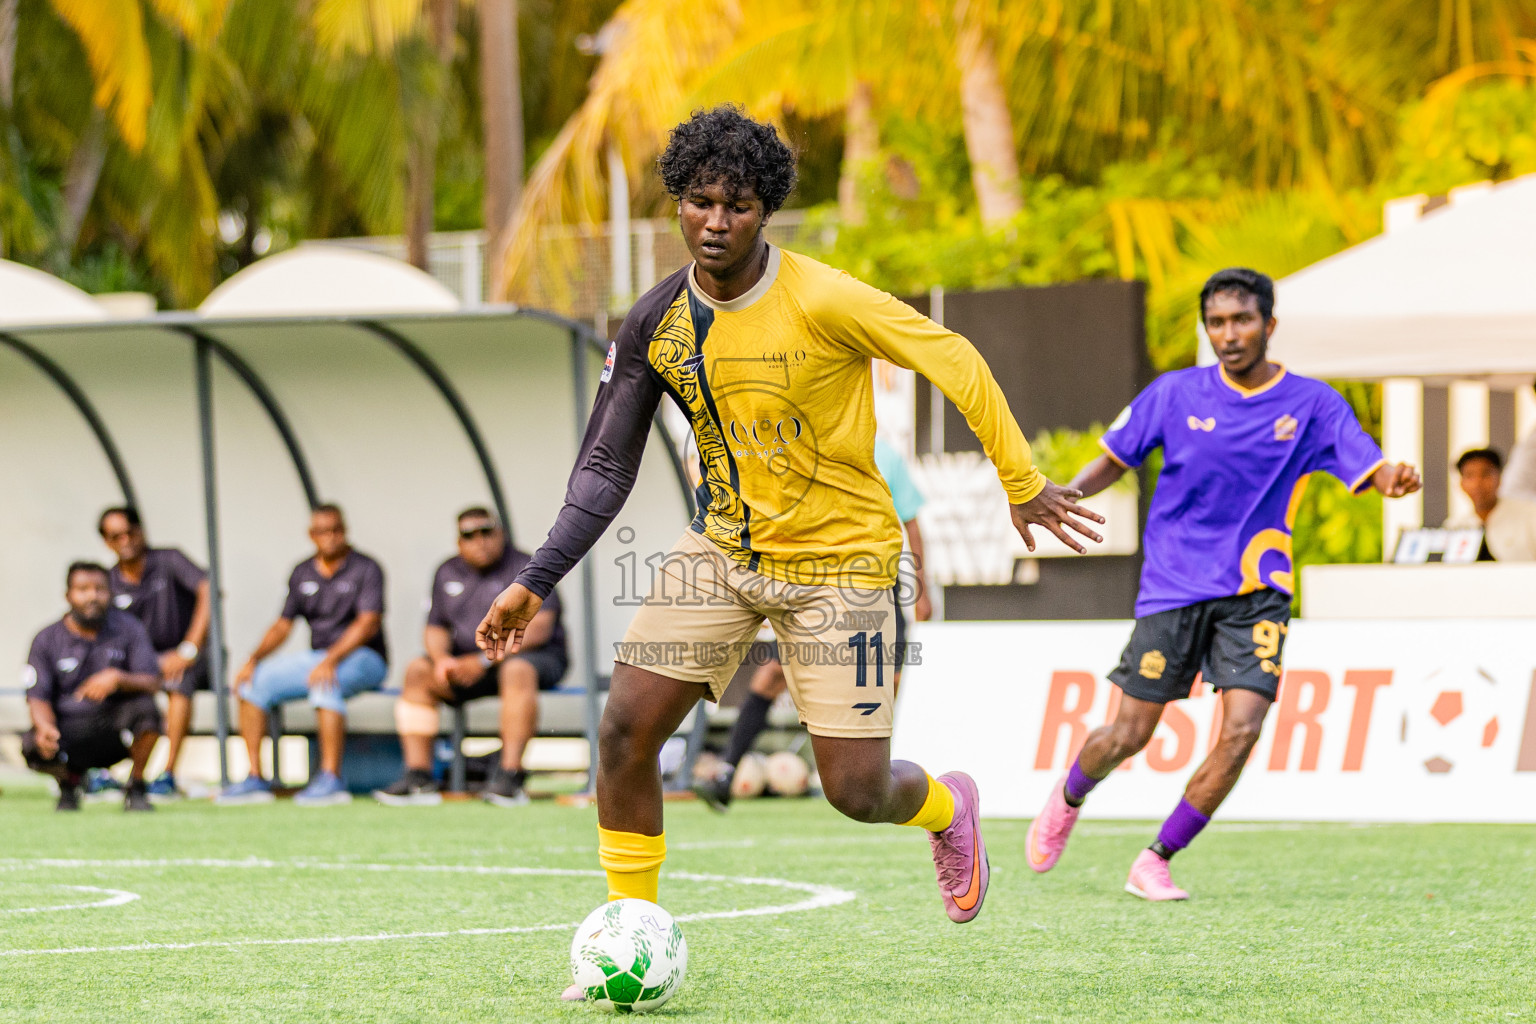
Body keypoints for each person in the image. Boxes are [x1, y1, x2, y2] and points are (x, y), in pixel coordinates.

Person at [475, 105, 1102, 1002]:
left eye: (736, 205)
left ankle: (944, 805)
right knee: (622, 734)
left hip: (842, 565)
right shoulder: (657, 321)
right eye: (699, 202)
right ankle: (628, 937)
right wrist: (534, 581)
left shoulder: (825, 296)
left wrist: (1022, 479)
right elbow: (606, 466)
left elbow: (953, 356)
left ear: (765, 209)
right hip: (723, 552)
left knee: (853, 789)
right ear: (678, 206)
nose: (716, 222)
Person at [1025, 267, 1422, 901]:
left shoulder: (1312, 404)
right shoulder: (1174, 393)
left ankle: (1157, 858)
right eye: (1216, 322)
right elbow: (1114, 458)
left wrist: (1389, 479)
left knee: (1241, 728)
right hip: (1175, 586)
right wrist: (1062, 496)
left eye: (1241, 320)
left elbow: (1366, 462)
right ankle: (1069, 794)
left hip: (1258, 592)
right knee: (1129, 734)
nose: (1228, 334)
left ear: (1269, 324)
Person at [693, 436, 934, 809]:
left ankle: (889, 776)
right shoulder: (802, 445)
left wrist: (921, 588)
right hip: (813, 580)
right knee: (772, 674)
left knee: (891, 679)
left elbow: (911, 525)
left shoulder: (885, 455)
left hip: (873, 582)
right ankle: (727, 769)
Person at [375, 507, 568, 807]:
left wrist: (483, 661)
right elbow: (435, 628)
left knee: (516, 670)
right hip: (468, 665)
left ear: (501, 534)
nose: (479, 541)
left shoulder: (526, 565)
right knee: (417, 671)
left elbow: (540, 629)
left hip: (527, 658)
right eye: (469, 534)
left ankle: (509, 777)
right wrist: (441, 660)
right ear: (458, 541)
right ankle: (419, 777)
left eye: (486, 531)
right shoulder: (447, 571)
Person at [216, 504, 388, 806]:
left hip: (364, 658)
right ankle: (256, 778)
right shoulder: (302, 571)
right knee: (251, 684)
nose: (331, 537)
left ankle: (331, 779)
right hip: (318, 658)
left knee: (324, 683)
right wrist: (252, 660)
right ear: (312, 535)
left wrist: (331, 660)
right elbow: (283, 625)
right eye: (323, 531)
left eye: (337, 529)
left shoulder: (366, 568)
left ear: (345, 531)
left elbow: (368, 623)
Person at [21, 562, 163, 812]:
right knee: (31, 744)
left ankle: (136, 785)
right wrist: (45, 727)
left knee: (148, 711)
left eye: (100, 589)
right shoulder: (46, 639)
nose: (92, 596)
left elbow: (153, 680)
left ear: (110, 593)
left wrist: (118, 678)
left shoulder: (129, 628)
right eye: (83, 589)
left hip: (114, 725)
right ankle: (69, 782)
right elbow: (37, 696)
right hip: (69, 727)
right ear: (68, 595)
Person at [98, 506, 211, 799]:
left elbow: (208, 589)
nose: (125, 540)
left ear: (141, 530)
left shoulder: (169, 559)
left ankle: (168, 774)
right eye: (115, 535)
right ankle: (107, 771)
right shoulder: (108, 581)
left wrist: (189, 648)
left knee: (177, 681)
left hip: (183, 657)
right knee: (106, 686)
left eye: (129, 531)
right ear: (107, 542)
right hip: (140, 665)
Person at [1445, 448, 1536, 561]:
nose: (1477, 483)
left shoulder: (1530, 515)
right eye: (1470, 476)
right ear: (1461, 484)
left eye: (1485, 474)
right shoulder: (1455, 526)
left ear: (1499, 478)